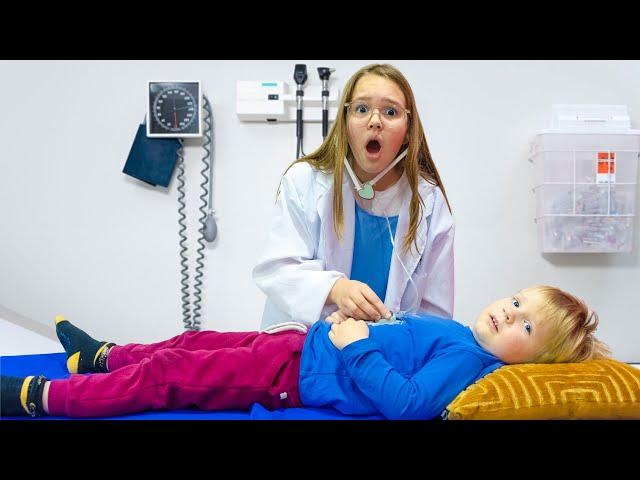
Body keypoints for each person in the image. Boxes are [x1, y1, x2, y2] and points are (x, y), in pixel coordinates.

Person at [1, 285, 609, 420]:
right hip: (298, 345)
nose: (509, 312)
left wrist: (355, 344)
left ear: (530, 363)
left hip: (293, 372)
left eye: (526, 326)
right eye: (516, 300)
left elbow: (408, 403)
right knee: (192, 340)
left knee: (172, 374)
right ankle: (102, 355)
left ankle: (45, 397)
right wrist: (365, 324)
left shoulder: (470, 364)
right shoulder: (459, 335)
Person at [252, 64, 454, 329]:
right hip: (304, 348)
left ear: (408, 132)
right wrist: (335, 289)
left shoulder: (429, 201)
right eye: (361, 109)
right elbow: (277, 270)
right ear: (346, 123)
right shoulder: (305, 181)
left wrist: (393, 335)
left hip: (385, 355)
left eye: (390, 111)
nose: (375, 121)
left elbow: (435, 316)